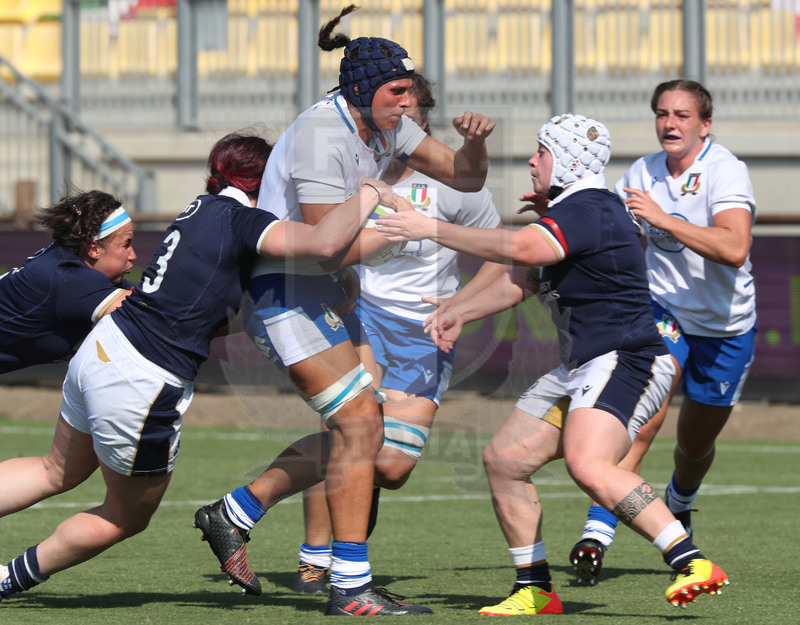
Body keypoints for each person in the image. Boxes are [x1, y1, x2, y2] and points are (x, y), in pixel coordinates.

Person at [0, 130, 395, 603]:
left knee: (55, 470)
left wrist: (334, 278)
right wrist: (378, 200)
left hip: (103, 352)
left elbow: (204, 307)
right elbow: (323, 243)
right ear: (265, 181)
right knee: (126, 516)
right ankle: (8, 581)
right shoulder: (241, 219)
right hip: (141, 376)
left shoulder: (199, 210)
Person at [192, 6, 495, 616]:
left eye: (412, 90)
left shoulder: (389, 123)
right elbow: (325, 246)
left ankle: (237, 513)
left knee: (367, 431)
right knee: (361, 427)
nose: (410, 103)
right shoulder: (319, 136)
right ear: (361, 91)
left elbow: (464, 178)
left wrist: (475, 145)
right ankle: (348, 585)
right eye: (398, 90)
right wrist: (401, 229)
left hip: (324, 292)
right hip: (283, 294)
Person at [375, 113, 729, 614]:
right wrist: (457, 312)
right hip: (582, 365)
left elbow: (520, 247)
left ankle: (691, 561)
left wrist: (430, 228)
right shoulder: (577, 210)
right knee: (505, 461)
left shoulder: (588, 207)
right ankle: (535, 588)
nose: (531, 160)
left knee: (589, 464)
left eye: (541, 151)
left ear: (564, 160)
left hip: (626, 358)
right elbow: (522, 280)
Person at [290, 72, 510, 595]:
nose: (401, 128)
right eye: (395, 118)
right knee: (347, 431)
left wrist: (461, 304)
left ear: (426, 123)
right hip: (359, 318)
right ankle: (315, 561)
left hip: (419, 334)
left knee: (389, 466)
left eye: (413, 119)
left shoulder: (453, 187)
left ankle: (331, 523)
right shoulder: (358, 170)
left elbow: (503, 253)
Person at [568, 79, 757, 585]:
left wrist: (664, 219)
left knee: (694, 447)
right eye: (661, 114)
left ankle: (680, 502)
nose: (669, 124)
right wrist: (554, 206)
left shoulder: (725, 170)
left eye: (681, 115)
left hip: (725, 327)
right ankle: (597, 532)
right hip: (663, 313)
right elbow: (610, 227)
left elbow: (734, 248)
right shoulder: (642, 171)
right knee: (640, 421)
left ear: (705, 125)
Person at [0, 189, 136, 373]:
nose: (133, 255)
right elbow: (150, 310)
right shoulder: (70, 279)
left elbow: (143, 296)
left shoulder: (73, 261)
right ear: (93, 249)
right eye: (126, 244)